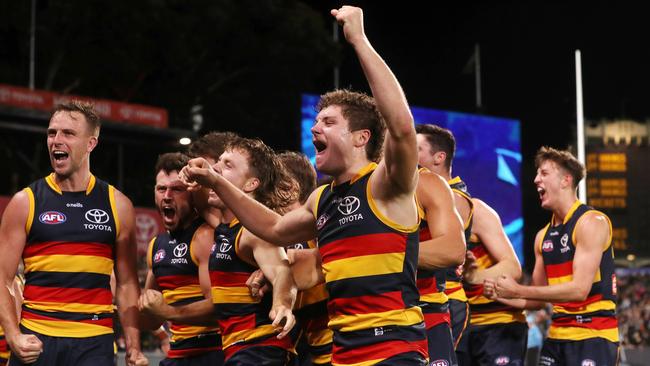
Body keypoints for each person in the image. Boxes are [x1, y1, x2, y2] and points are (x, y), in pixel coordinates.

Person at [181, 6, 428, 365]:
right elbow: (274, 228)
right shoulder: (321, 199)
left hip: (394, 350)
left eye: (328, 122)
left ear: (362, 137)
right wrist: (215, 179)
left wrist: (358, 39)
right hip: (342, 352)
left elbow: (403, 127)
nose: (315, 129)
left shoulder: (387, 183)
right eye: (316, 121)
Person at [0, 101, 147, 365]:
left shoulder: (118, 205)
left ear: (91, 143)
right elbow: (2, 277)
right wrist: (13, 335)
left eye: (68, 133)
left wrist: (134, 347)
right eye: (51, 132)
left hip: (95, 343)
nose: (56, 140)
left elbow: (126, 284)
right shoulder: (25, 202)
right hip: (36, 340)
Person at [142, 137, 298, 366]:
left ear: (251, 184)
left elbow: (282, 271)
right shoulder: (225, 227)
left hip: (261, 349)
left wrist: (282, 303)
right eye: (217, 163)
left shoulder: (251, 231)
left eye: (227, 165)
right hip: (239, 350)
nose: (215, 169)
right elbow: (199, 202)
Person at [485, 147, 619, 366]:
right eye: (537, 174)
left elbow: (579, 290)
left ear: (566, 180)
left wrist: (517, 289)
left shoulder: (592, 222)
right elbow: (537, 301)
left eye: (544, 173)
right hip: (556, 337)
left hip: (594, 336)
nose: (536, 179)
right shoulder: (542, 237)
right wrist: (498, 292)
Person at [142, 152, 223, 365]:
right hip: (177, 354)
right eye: (161, 189)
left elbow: (220, 305)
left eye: (177, 189)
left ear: (192, 195)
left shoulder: (205, 236)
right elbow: (152, 317)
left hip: (211, 353)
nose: (167, 196)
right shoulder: (155, 246)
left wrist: (170, 311)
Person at [415, 124, 474, 352]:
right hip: (418, 294)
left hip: (445, 298)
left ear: (439, 157)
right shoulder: (417, 191)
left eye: (417, 149)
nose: (410, 154)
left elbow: (451, 250)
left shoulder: (456, 197)